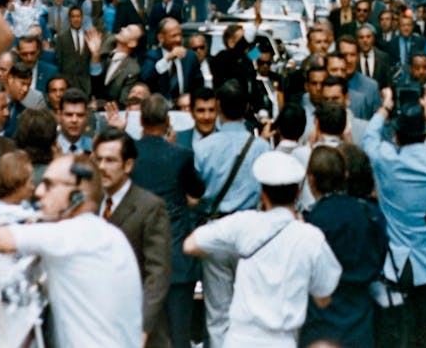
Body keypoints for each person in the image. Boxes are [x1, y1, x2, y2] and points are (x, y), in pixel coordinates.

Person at [0, 154, 143, 347]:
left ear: (76, 196)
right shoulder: (108, 235)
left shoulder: (72, 234)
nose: (39, 192)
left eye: (49, 185)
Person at [183, 151, 342, 347]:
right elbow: (323, 297)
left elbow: (190, 245)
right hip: (282, 340)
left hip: (239, 339)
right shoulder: (311, 237)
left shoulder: (244, 223)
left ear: (263, 194)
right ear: (298, 193)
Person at [361, 92, 426, 347]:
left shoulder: (386, 159)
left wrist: (384, 107)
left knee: (399, 329)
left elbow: (369, 137)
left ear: (397, 134)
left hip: (396, 260)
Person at [193, 78, 270, 348]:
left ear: (219, 107)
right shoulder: (261, 147)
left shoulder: (202, 148)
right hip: (250, 232)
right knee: (251, 309)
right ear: (248, 107)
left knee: (217, 313)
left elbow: (196, 192)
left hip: (216, 230)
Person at [132, 94, 206, 348]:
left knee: (144, 334)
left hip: (141, 257)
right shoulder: (181, 155)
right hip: (176, 256)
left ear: (141, 120)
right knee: (179, 335)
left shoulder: (130, 154)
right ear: (167, 121)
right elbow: (198, 189)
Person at [301, 146, 388, 348]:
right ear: (344, 176)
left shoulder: (311, 222)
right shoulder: (369, 213)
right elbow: (381, 251)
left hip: (322, 317)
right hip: (360, 316)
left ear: (311, 180)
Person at [93, 128, 173, 348]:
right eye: (98, 159)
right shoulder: (90, 204)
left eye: (110, 160)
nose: (101, 167)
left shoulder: (149, 207)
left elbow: (157, 273)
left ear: (128, 165)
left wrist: (142, 326)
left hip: (136, 326)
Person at [141, 18, 205, 100]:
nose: (178, 39)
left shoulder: (190, 56)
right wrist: (167, 59)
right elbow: (146, 78)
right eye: (174, 36)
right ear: (161, 38)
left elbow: (198, 85)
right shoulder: (152, 56)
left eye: (180, 35)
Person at [88, 23, 144, 107]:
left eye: (128, 30)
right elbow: (96, 85)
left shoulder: (133, 69)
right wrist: (95, 56)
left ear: (132, 43)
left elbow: (123, 102)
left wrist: (100, 104)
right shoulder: (105, 53)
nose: (122, 28)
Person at [56, 87, 93, 154]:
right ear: (59, 115)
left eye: (80, 115)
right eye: (69, 115)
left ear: (86, 117)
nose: (74, 120)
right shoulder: (50, 149)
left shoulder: (95, 149)